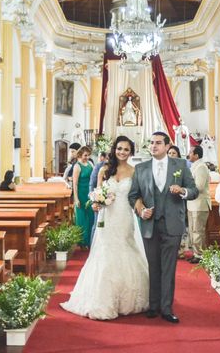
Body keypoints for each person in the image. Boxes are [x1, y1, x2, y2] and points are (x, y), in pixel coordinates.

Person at [61, 136, 149, 320]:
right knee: (105, 252)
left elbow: (137, 197)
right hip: (106, 217)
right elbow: (98, 193)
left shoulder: (134, 172)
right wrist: (96, 203)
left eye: (126, 149)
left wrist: (142, 210)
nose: (122, 152)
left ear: (131, 152)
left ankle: (127, 299)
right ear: (114, 150)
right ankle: (102, 298)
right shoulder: (104, 170)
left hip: (125, 216)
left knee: (126, 249)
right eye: (119, 148)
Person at [128, 131, 198, 323]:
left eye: (158, 143)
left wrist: (182, 191)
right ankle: (153, 305)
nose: (153, 146)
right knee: (153, 266)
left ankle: (166, 308)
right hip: (150, 224)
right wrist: (141, 211)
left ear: (167, 146)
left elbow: (194, 191)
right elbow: (133, 196)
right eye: (151, 143)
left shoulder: (181, 165)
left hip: (173, 223)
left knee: (169, 267)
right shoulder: (141, 168)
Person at [187, 146, 211, 264]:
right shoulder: (194, 166)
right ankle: (196, 253)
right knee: (192, 230)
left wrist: (185, 188)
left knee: (198, 231)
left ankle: (200, 255)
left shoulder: (201, 167)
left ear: (196, 155)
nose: (189, 154)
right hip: (192, 203)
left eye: (191, 152)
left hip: (199, 204)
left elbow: (199, 186)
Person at [72, 146, 94, 248]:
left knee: (91, 217)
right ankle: (81, 242)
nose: (87, 157)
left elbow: (94, 177)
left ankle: (90, 240)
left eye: (89, 155)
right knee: (81, 218)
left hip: (89, 193)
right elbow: (75, 184)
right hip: (80, 193)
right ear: (80, 154)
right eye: (85, 155)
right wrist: (76, 198)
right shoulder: (77, 166)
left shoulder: (90, 164)